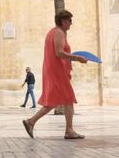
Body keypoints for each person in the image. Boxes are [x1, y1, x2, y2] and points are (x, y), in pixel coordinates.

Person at [22, 10, 87, 140]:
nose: (71, 24)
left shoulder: (53, 32)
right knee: (68, 99)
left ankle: (31, 122)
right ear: (63, 21)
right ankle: (69, 130)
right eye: (69, 21)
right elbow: (59, 53)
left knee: (52, 101)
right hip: (57, 72)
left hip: (54, 71)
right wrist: (77, 57)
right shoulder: (58, 33)